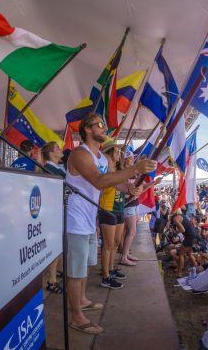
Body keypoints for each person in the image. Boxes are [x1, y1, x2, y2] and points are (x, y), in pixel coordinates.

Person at [64, 113, 155, 334]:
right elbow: (99, 181)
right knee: (75, 271)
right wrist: (134, 169)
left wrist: (130, 188)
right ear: (87, 129)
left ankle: (82, 300)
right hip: (74, 219)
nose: (105, 129)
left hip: (89, 217)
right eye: (100, 125)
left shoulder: (103, 159)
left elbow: (114, 182)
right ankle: (76, 316)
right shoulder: (79, 153)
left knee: (85, 264)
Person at [97, 141, 127, 289]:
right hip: (107, 208)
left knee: (115, 242)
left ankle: (111, 269)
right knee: (108, 245)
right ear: (109, 153)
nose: (119, 154)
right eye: (116, 152)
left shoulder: (116, 169)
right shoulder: (105, 169)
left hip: (119, 208)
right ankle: (106, 276)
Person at [41, 141, 65, 294]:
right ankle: (51, 280)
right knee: (54, 246)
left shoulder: (56, 168)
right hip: (53, 211)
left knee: (58, 245)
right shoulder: (49, 169)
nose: (60, 149)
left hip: (58, 209)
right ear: (50, 153)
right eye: (57, 148)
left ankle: (56, 272)